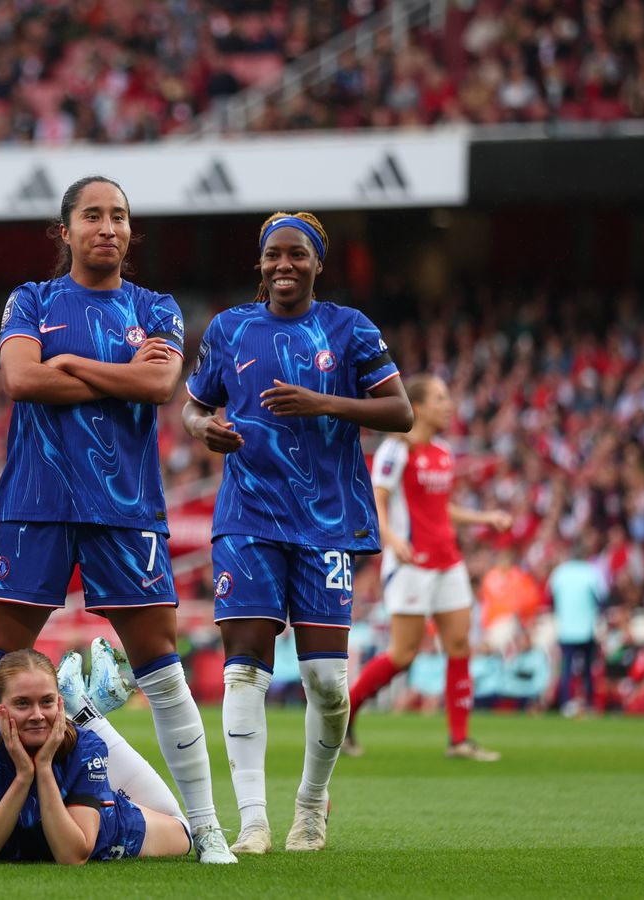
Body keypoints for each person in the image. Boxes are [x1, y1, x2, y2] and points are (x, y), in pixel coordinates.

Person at [0, 175, 235, 865]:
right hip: (36, 502)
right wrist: (114, 368)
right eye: (92, 215)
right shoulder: (31, 298)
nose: (108, 227)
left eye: (119, 216)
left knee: (161, 667)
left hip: (124, 508)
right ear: (65, 231)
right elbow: (22, 380)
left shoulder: (156, 306)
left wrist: (70, 362)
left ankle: (208, 828)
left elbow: (158, 386)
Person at [184, 211, 413, 854]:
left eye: (297, 255)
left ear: (318, 263)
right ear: (260, 265)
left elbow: (401, 410)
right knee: (243, 673)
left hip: (326, 523)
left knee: (327, 684)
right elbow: (193, 405)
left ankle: (311, 803)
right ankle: (253, 818)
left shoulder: (350, 329)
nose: (284, 265)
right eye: (273, 256)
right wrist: (203, 430)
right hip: (247, 518)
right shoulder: (230, 330)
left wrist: (325, 403)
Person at [342, 375, 510, 761]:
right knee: (403, 654)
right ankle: (345, 713)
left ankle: (460, 741)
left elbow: (440, 509)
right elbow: (377, 499)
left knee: (459, 645)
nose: (448, 405)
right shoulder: (395, 450)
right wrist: (392, 540)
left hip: (447, 560)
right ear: (416, 406)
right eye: (440, 398)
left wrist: (485, 517)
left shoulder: (443, 451)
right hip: (411, 563)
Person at [0, 649, 192, 864]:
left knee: (183, 830)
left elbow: (72, 856)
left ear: (59, 704)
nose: (36, 715)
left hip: (112, 830)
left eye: (47, 702)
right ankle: (84, 705)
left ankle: (86, 710)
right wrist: (23, 776)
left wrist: (43, 768)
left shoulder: (86, 746)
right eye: (22, 703)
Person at [549, 536, 609, 716]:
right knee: (588, 669)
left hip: (566, 628)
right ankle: (588, 703)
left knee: (567, 667)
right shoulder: (592, 572)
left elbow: (551, 597)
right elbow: (602, 598)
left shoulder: (560, 572)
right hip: (586, 628)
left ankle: (567, 703)